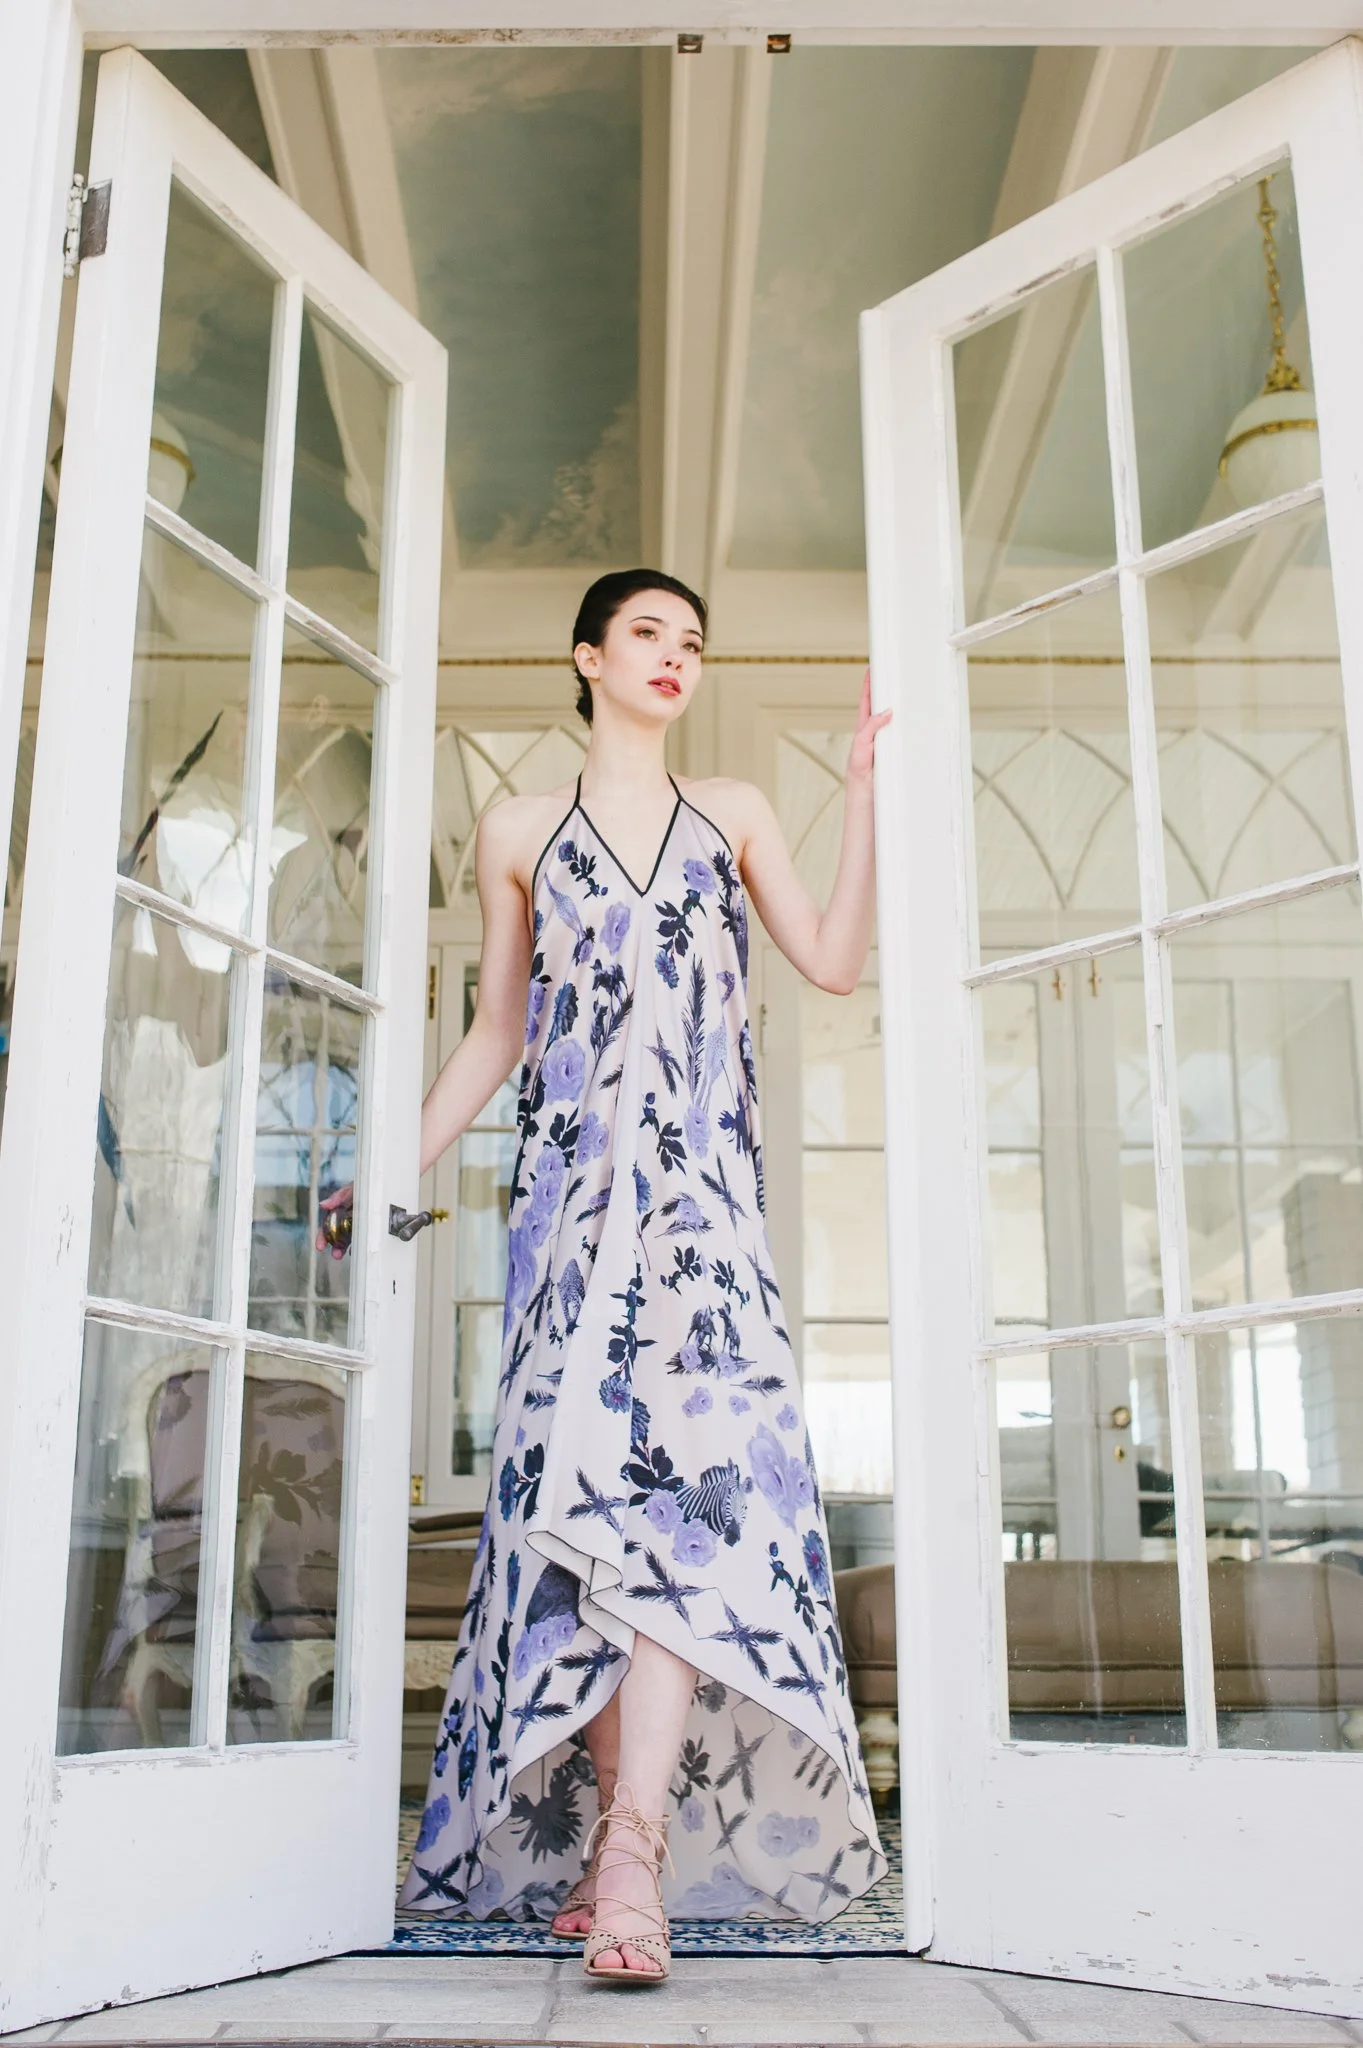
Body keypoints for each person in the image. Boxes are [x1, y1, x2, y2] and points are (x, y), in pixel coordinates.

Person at [333, 569, 891, 1984]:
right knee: (585, 1526)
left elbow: (826, 961)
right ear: (585, 655)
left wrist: (863, 798)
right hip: (568, 1229)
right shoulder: (519, 829)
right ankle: (613, 1849)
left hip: (702, 1230)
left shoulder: (738, 812)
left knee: (680, 1531)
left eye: (692, 641)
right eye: (648, 633)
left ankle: (631, 1849)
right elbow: (497, 1032)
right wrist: (388, 1164)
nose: (673, 657)